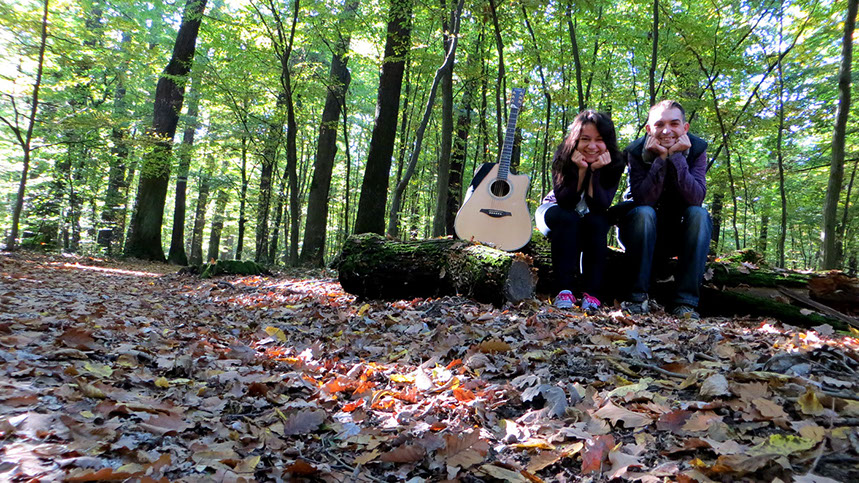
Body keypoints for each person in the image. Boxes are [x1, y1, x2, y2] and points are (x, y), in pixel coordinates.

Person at [617, 100, 712, 319]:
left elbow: (696, 198)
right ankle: (637, 298)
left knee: (699, 215)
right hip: (640, 231)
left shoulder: (697, 149)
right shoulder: (635, 151)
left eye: (674, 124)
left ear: (685, 128)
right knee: (644, 213)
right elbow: (644, 199)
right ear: (649, 129)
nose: (666, 131)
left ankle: (685, 303)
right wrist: (661, 159)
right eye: (659, 124)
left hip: (678, 233)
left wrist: (677, 157)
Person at [536, 110, 625, 311]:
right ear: (576, 139)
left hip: (589, 217)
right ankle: (563, 290)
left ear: (607, 142)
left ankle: (592, 294)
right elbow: (565, 201)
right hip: (555, 211)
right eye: (585, 139)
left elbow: (599, 205)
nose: (592, 146)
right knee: (568, 217)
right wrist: (581, 169)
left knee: (599, 221)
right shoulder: (563, 156)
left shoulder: (615, 162)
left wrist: (594, 172)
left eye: (599, 140)